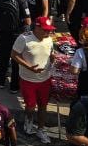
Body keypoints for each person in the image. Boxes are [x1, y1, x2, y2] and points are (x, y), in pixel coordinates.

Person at [11, 15, 56, 144]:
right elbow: (14, 55)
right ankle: (28, 121)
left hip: (45, 80)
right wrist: (29, 67)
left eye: (49, 30)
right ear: (37, 27)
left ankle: (41, 129)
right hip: (28, 80)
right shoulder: (24, 38)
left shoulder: (49, 39)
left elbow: (51, 53)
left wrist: (53, 59)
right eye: (45, 30)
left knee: (43, 106)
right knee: (30, 107)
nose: (48, 32)